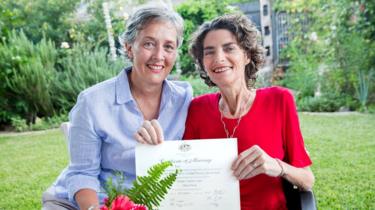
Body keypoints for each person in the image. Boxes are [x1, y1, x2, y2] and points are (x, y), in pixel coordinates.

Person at [136, 14, 314, 209]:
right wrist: (152, 148)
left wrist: (277, 166)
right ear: (203, 62)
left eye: (229, 48)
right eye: (209, 52)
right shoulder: (198, 108)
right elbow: (184, 173)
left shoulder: (279, 100)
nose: (219, 58)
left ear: (247, 55)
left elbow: (307, 180)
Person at [42, 4, 192, 210]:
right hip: (88, 203)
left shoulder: (184, 98)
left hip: (151, 203)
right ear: (129, 48)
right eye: (149, 44)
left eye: (168, 47)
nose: (159, 55)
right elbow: (82, 174)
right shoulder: (92, 101)